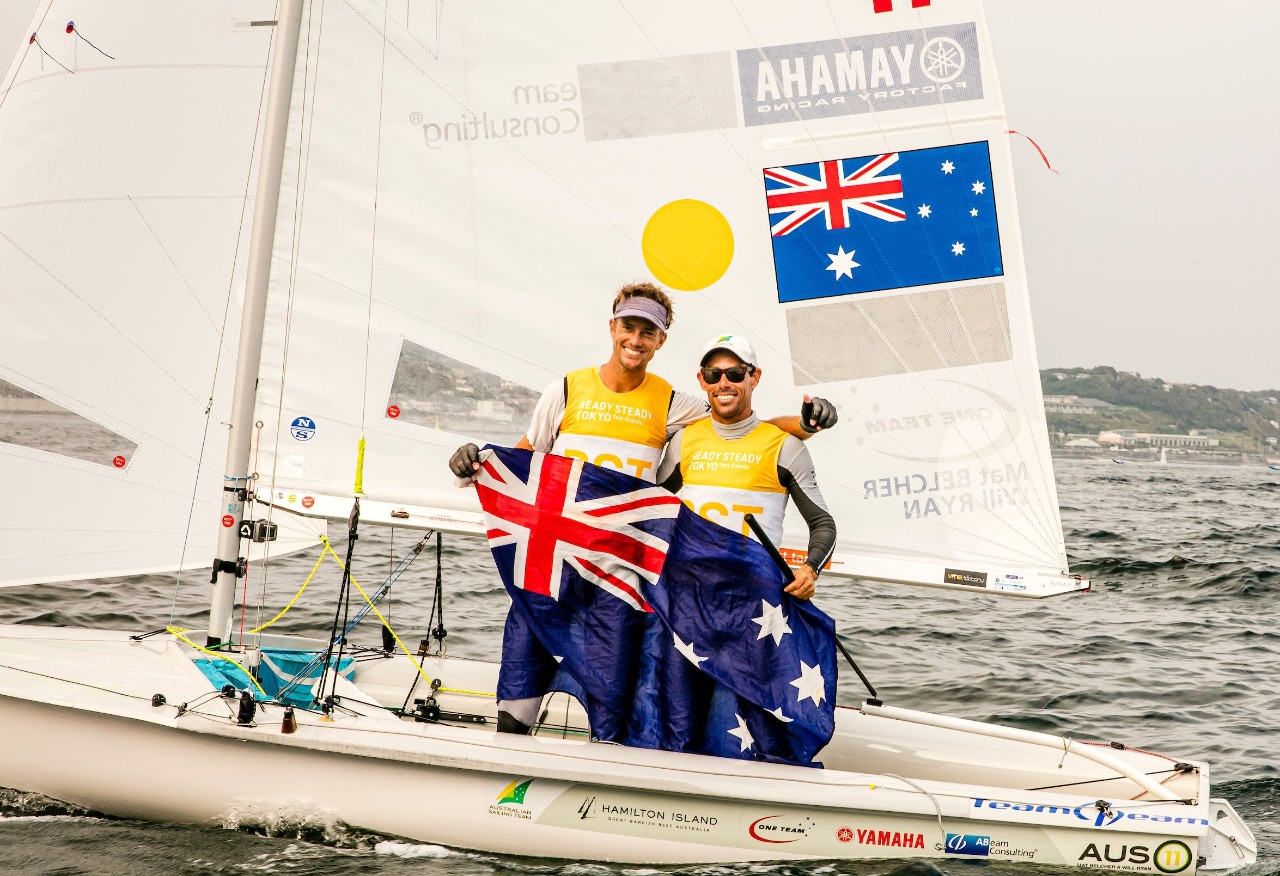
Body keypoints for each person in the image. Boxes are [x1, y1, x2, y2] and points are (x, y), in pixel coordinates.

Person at [449, 281, 837, 734]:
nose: (636, 339)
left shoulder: (673, 403)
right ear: (613, 328)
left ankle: (601, 784)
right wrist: (469, 463)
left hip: (620, 576)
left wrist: (806, 427)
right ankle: (508, 775)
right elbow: (523, 460)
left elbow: (743, 425)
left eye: (647, 332)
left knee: (610, 704)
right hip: (552, 563)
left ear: (660, 341)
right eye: (628, 327)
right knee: (520, 682)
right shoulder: (567, 390)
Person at [655, 333, 836, 602]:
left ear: (755, 377)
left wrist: (810, 570)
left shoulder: (786, 447)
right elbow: (650, 505)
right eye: (713, 374)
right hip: (690, 598)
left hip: (754, 599)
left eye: (736, 373)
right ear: (702, 380)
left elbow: (822, 523)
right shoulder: (683, 440)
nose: (723, 383)